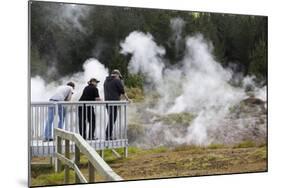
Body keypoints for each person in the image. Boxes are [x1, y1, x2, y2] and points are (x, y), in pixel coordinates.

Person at [104, 69, 131, 140]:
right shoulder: (117, 80)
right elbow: (123, 91)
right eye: (119, 76)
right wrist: (128, 99)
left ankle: (108, 135)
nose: (119, 78)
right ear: (117, 75)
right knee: (112, 119)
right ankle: (108, 135)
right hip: (114, 103)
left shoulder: (106, 81)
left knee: (111, 119)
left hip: (107, 103)